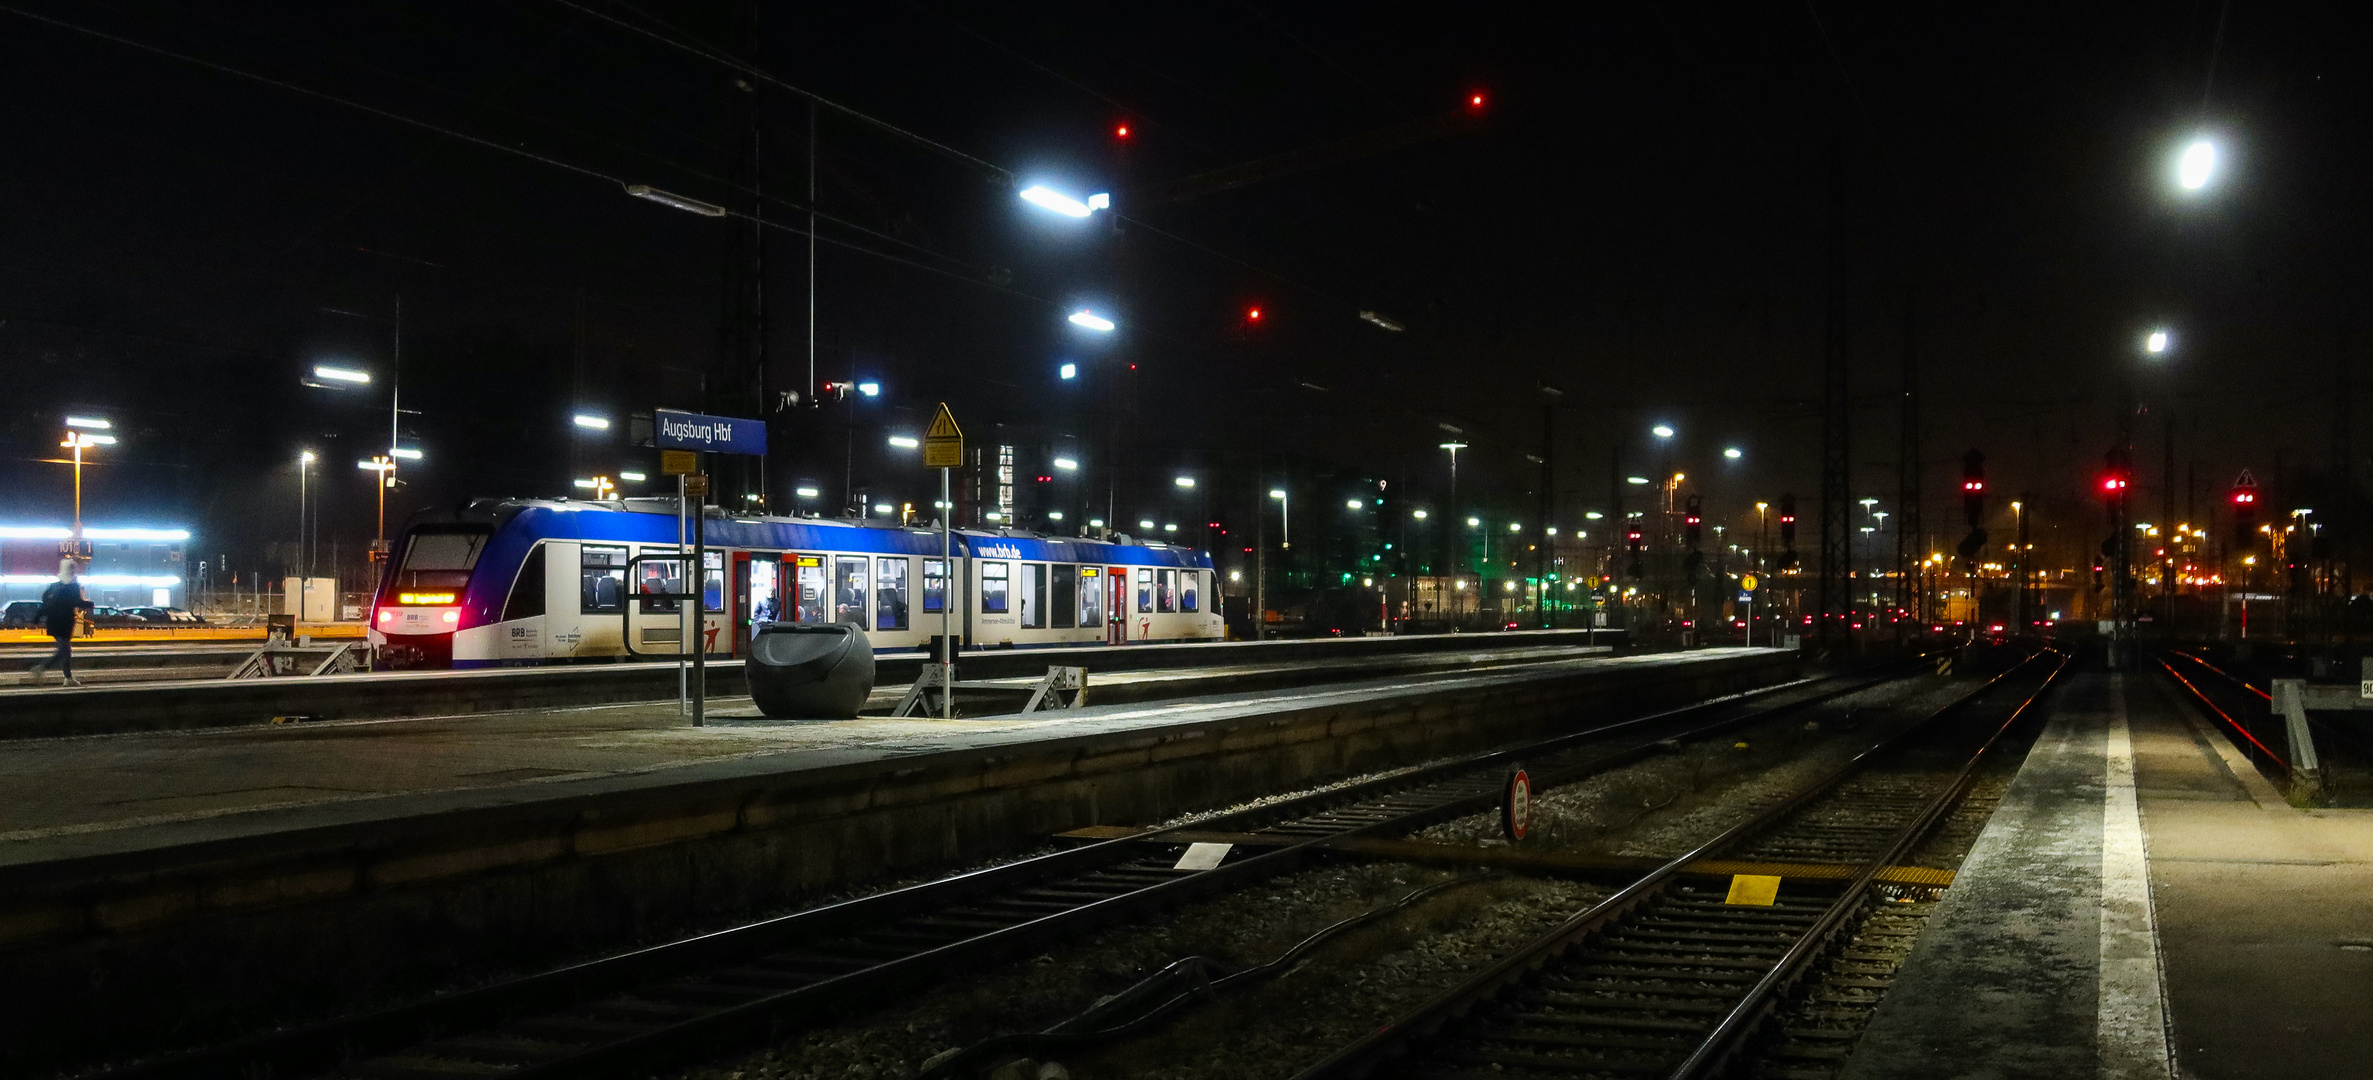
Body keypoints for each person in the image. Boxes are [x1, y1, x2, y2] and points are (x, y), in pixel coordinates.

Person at [28, 559, 94, 687]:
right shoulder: (73, 586)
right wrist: (90, 604)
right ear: (73, 570)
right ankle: (41, 667)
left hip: (52, 621)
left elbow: (45, 603)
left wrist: (36, 618)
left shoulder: (53, 586)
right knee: (63, 650)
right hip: (65, 622)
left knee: (65, 649)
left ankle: (68, 678)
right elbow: (77, 602)